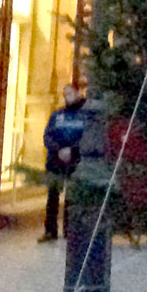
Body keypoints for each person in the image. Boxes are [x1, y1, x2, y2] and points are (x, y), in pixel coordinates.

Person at [39, 82, 87, 241]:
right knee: (52, 196)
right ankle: (50, 230)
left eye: (70, 94)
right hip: (55, 160)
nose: (67, 97)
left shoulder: (85, 116)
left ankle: (69, 230)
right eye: (65, 94)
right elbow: (47, 136)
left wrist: (72, 150)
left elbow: (86, 138)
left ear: (78, 93)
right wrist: (58, 149)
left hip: (75, 161)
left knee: (71, 197)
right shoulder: (56, 115)